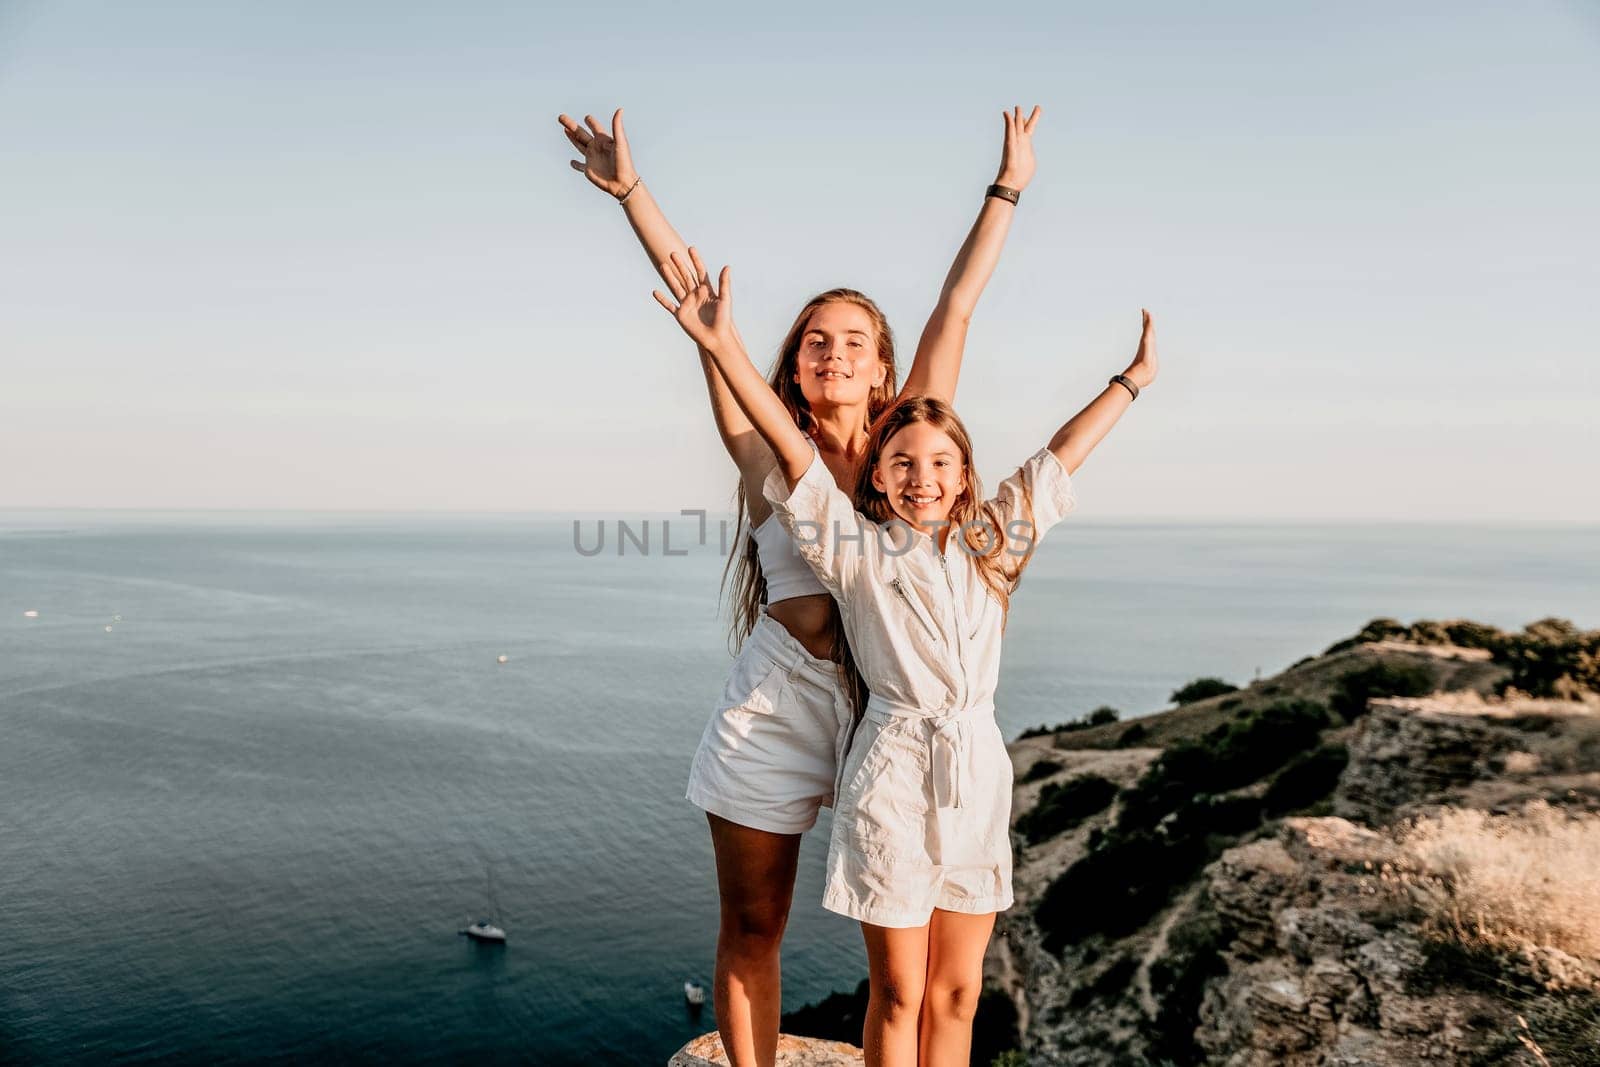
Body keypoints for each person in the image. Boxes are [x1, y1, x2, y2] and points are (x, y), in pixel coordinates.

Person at [558, 106, 1042, 1067]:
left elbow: (956, 304)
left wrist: (1008, 186)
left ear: (885, 366)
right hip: (783, 698)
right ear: (789, 362)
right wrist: (632, 195)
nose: (833, 353)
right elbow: (700, 307)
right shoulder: (764, 445)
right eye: (815, 340)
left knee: (925, 970)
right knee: (754, 922)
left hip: (893, 716)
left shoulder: (913, 447)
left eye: (854, 340)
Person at [653, 249, 1158, 1066]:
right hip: (864, 747)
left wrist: (1130, 382)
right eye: (904, 466)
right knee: (896, 989)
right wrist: (719, 344)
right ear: (876, 484)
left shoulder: (992, 543)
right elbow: (781, 437)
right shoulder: (851, 547)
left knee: (956, 992)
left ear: (965, 479)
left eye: (940, 465)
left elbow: (1056, 460)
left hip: (967, 771)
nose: (922, 477)